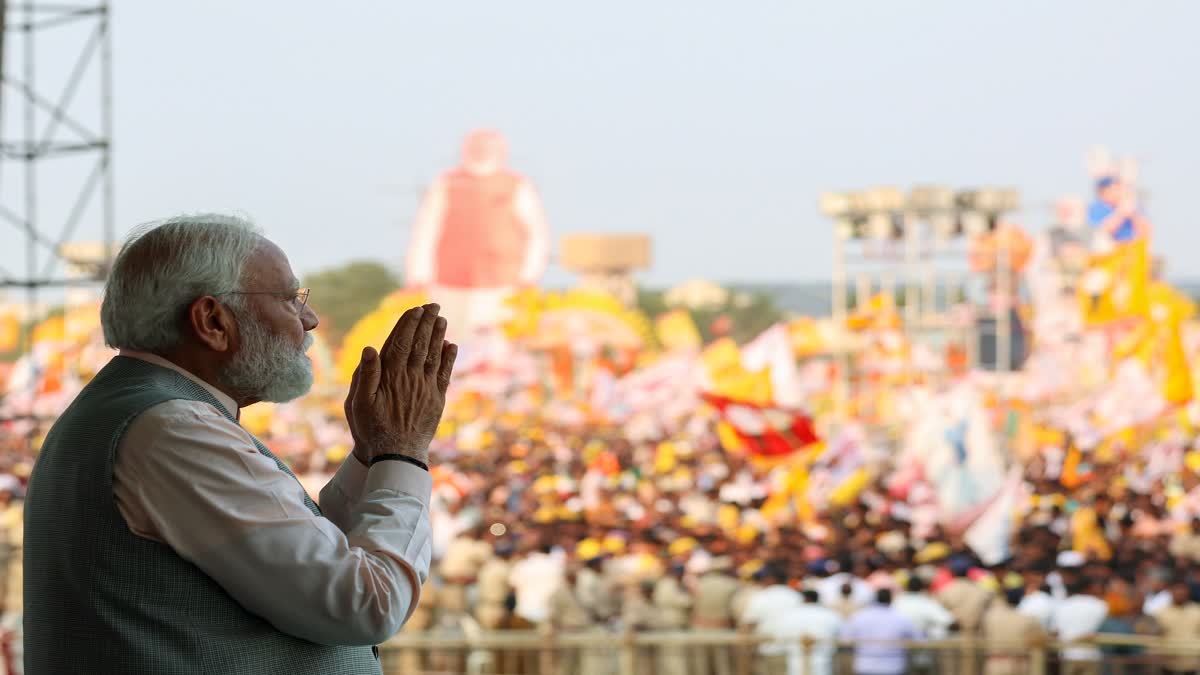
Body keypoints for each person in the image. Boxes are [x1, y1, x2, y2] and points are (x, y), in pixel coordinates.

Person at [24, 215, 458, 673]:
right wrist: (403, 451)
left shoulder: (150, 413)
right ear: (212, 321)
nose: (309, 320)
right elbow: (365, 604)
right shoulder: (173, 428)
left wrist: (373, 454)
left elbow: (303, 562)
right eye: (291, 300)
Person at [405, 129, 551, 340]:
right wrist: (418, 275)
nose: (481, 151)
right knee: (446, 344)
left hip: (502, 284)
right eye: (476, 146)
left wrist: (529, 275)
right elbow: (426, 230)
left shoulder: (517, 185)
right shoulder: (446, 183)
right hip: (448, 282)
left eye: (488, 147)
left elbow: (537, 233)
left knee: (493, 347)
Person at [757, 589, 843, 675]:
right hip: (823, 663)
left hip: (795, 663)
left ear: (803, 599)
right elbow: (840, 635)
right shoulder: (830, 614)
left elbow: (780, 637)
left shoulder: (790, 614)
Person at [839, 588, 923, 675]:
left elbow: (845, 640)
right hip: (893, 667)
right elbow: (918, 640)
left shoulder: (859, 616)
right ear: (890, 599)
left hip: (865, 665)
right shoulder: (901, 617)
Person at [981, 588, 1046, 675]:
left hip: (995, 663)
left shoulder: (990, 617)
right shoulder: (1029, 619)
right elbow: (1041, 638)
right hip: (1020, 664)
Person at [1052, 579, 1109, 675]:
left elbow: (1054, 631)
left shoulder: (1062, 605)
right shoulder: (1100, 604)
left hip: (1068, 655)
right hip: (1091, 655)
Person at [1151, 581, 1200, 674]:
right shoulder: (1160, 613)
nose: (1180, 593)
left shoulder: (1197, 611)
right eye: (1177, 589)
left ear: (1188, 592)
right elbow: (1154, 637)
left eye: (1182, 590)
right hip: (1167, 665)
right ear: (1171, 591)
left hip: (1192, 665)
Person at [1087, 175, 1152, 243]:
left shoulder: (1133, 205)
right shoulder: (1095, 208)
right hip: (1109, 250)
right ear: (1101, 193)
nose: (1115, 193)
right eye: (1111, 190)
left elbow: (1146, 232)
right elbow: (1100, 233)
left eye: (1117, 189)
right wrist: (1121, 214)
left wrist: (1133, 214)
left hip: (1132, 248)